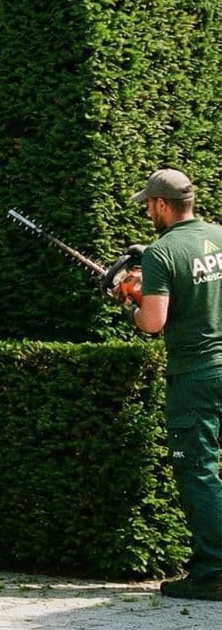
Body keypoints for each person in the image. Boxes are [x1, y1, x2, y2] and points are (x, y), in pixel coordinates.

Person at [125, 169, 222, 600]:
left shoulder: (162, 253)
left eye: (149, 204)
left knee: (198, 468)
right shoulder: (219, 235)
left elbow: (152, 322)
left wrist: (131, 300)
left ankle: (214, 570)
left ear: (162, 205)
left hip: (198, 372)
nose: (148, 210)